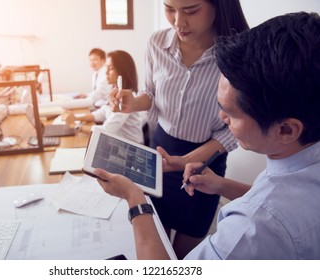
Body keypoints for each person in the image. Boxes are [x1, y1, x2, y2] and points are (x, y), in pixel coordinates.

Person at [95, 12, 320, 259]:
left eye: (231, 113)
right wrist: (222, 185)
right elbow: (273, 195)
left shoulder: (252, 228)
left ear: (286, 130)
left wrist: (134, 197)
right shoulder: (298, 163)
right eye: (169, 8)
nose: (222, 118)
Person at [110, 0, 249, 258]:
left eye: (191, 10)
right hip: (161, 151)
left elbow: (233, 128)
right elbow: (150, 93)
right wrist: (134, 102)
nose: (178, 22)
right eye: (169, 8)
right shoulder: (156, 43)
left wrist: (187, 160)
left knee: (185, 255)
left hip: (205, 161)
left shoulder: (237, 52)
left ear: (219, 6)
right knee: (153, 237)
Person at [63, 50, 145, 144]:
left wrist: (75, 126)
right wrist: (76, 118)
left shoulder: (126, 98)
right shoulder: (116, 92)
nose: (106, 72)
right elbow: (102, 113)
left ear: (122, 71)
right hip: (118, 142)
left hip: (131, 148)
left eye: (110, 68)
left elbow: (106, 131)